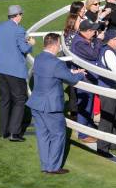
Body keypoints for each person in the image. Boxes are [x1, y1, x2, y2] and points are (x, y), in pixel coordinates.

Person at [27, 33, 85, 174]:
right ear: (53, 45)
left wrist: (70, 71)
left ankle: (45, 166)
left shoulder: (40, 57)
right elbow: (71, 79)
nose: (60, 46)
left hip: (36, 104)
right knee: (58, 135)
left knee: (42, 136)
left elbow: (56, 72)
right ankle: (53, 167)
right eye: (59, 43)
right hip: (50, 106)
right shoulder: (57, 63)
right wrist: (80, 74)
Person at [0, 5, 34, 141]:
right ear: (18, 15)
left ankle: (3, 131)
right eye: (21, 14)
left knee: (4, 99)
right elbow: (24, 49)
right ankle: (14, 133)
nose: (21, 17)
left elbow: (0, 45)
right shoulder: (19, 30)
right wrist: (31, 43)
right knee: (20, 99)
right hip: (14, 70)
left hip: (0, 67)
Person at [70, 19, 103, 142]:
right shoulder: (80, 43)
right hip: (84, 79)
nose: (95, 32)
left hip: (87, 77)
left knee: (88, 105)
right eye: (93, 30)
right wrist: (99, 40)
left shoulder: (82, 39)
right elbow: (94, 55)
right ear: (88, 31)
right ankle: (83, 135)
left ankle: (88, 129)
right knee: (85, 105)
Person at [96, 29, 116, 158]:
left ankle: (115, 144)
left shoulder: (106, 50)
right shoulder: (108, 52)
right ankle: (102, 149)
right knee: (107, 119)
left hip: (110, 89)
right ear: (110, 40)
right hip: (108, 89)